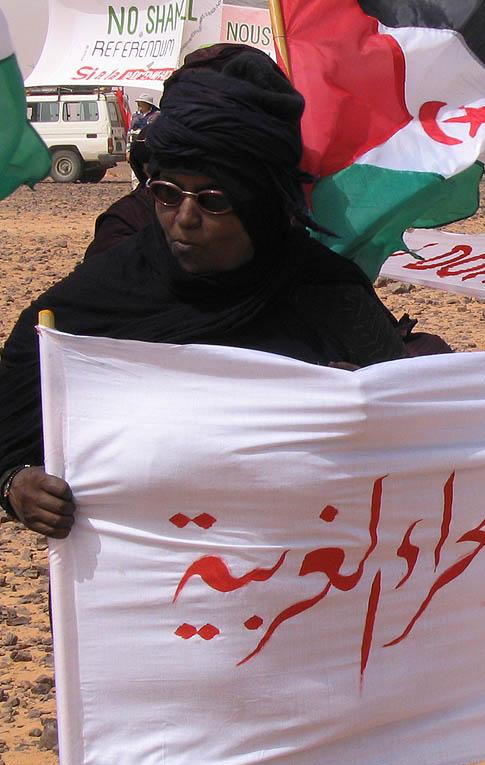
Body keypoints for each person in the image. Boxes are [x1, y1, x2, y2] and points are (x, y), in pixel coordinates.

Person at [0, 45, 407, 538]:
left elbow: (415, 440)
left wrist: (366, 408)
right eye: (166, 194)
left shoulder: (327, 297)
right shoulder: (92, 304)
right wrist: (15, 485)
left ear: (262, 207)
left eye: (213, 201)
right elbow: (10, 428)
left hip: (300, 576)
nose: (184, 219)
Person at [127, 93, 159, 186]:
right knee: (135, 173)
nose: (139, 105)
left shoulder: (156, 115)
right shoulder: (135, 116)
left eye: (141, 103)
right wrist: (128, 149)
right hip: (136, 146)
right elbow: (130, 132)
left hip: (149, 148)